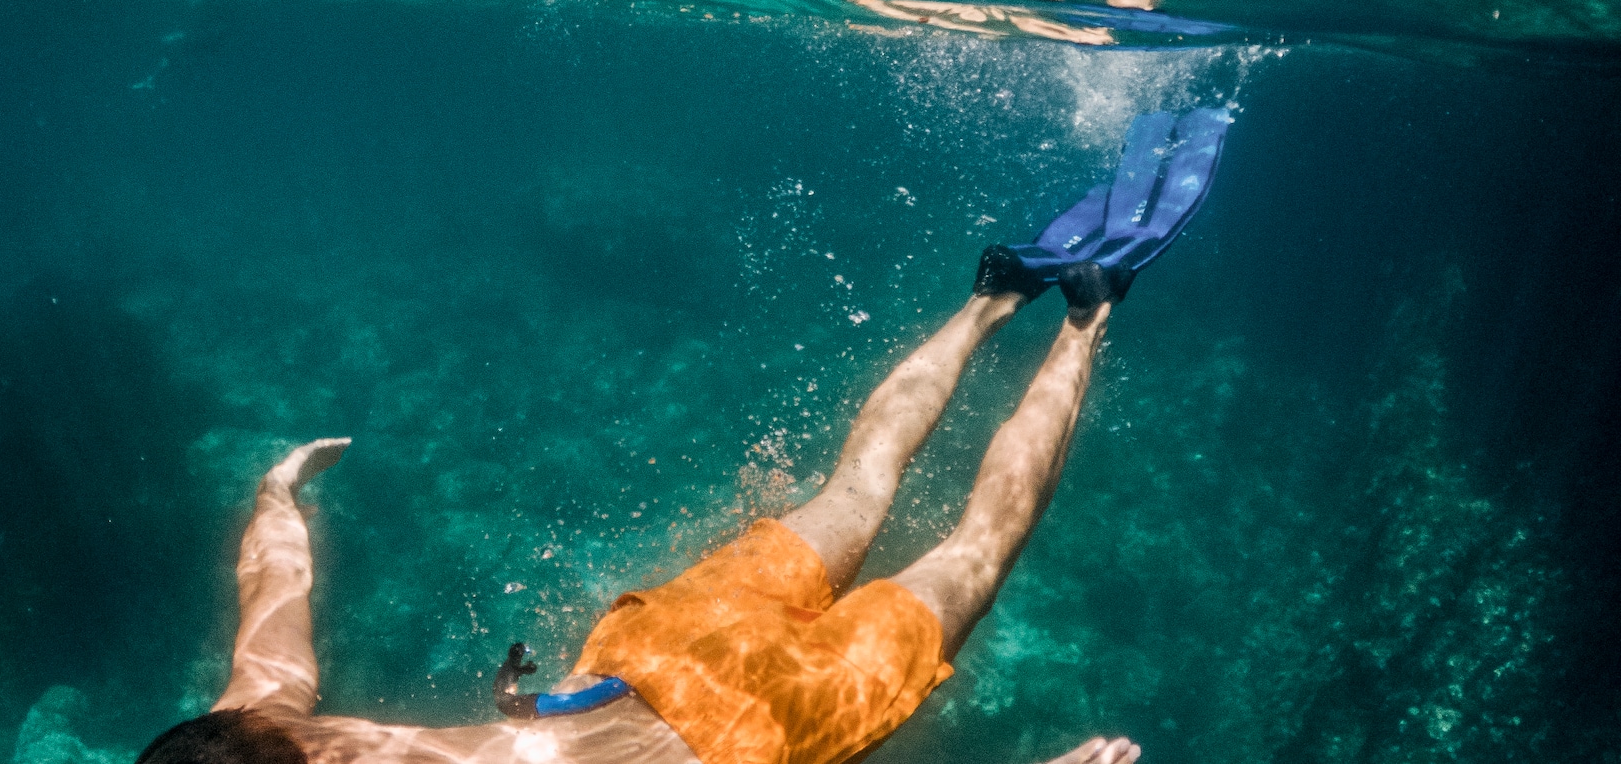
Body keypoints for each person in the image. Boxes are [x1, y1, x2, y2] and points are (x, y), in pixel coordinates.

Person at [137, 109, 1233, 764]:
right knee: (858, 483)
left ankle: (1085, 318)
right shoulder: (254, 718)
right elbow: (269, 592)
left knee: (970, 553)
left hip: (746, 740)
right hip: (659, 647)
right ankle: (992, 299)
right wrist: (279, 489)